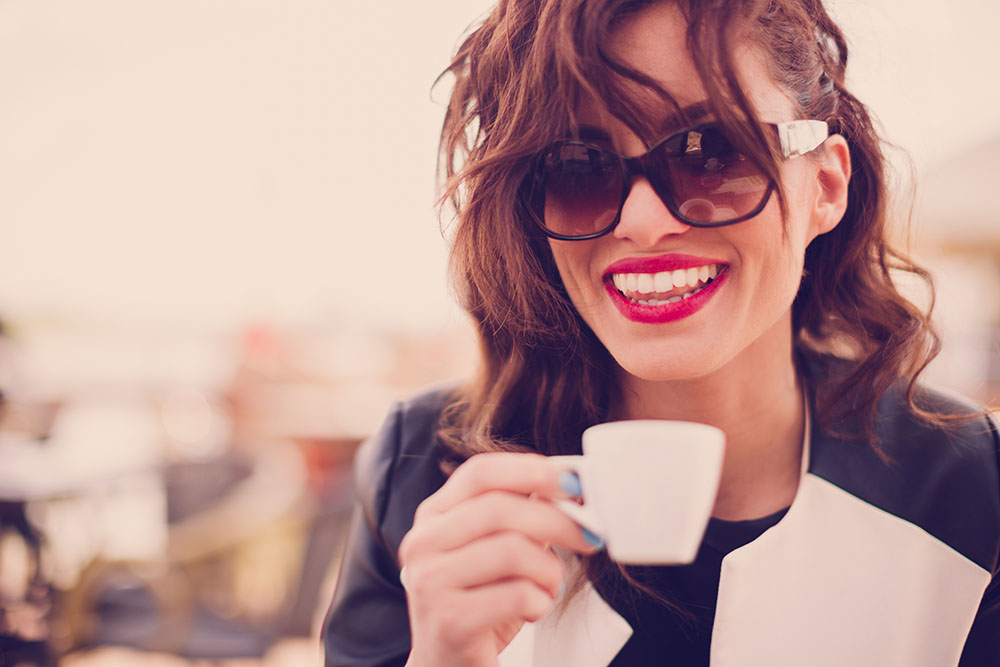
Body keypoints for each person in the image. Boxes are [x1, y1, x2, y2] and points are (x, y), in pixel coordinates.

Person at [322, 0, 1000, 665]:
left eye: (711, 153)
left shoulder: (970, 489)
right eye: (578, 165)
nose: (643, 223)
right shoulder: (421, 474)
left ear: (824, 184)